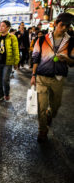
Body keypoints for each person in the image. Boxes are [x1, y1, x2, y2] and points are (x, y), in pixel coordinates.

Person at [31, 13, 74, 143]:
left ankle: (51, 113)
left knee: (55, 105)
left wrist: (66, 59)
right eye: (62, 25)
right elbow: (35, 58)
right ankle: (42, 131)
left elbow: (73, 62)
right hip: (42, 77)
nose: (64, 28)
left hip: (58, 78)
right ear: (55, 23)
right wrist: (33, 75)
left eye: (67, 26)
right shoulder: (42, 39)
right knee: (41, 107)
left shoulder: (71, 41)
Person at [0, 20, 20, 101]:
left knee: (5, 80)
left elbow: (16, 50)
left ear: (8, 27)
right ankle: (1, 95)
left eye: (3, 26)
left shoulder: (12, 37)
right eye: (0, 25)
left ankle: (6, 93)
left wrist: (16, 62)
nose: (1, 27)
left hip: (8, 62)